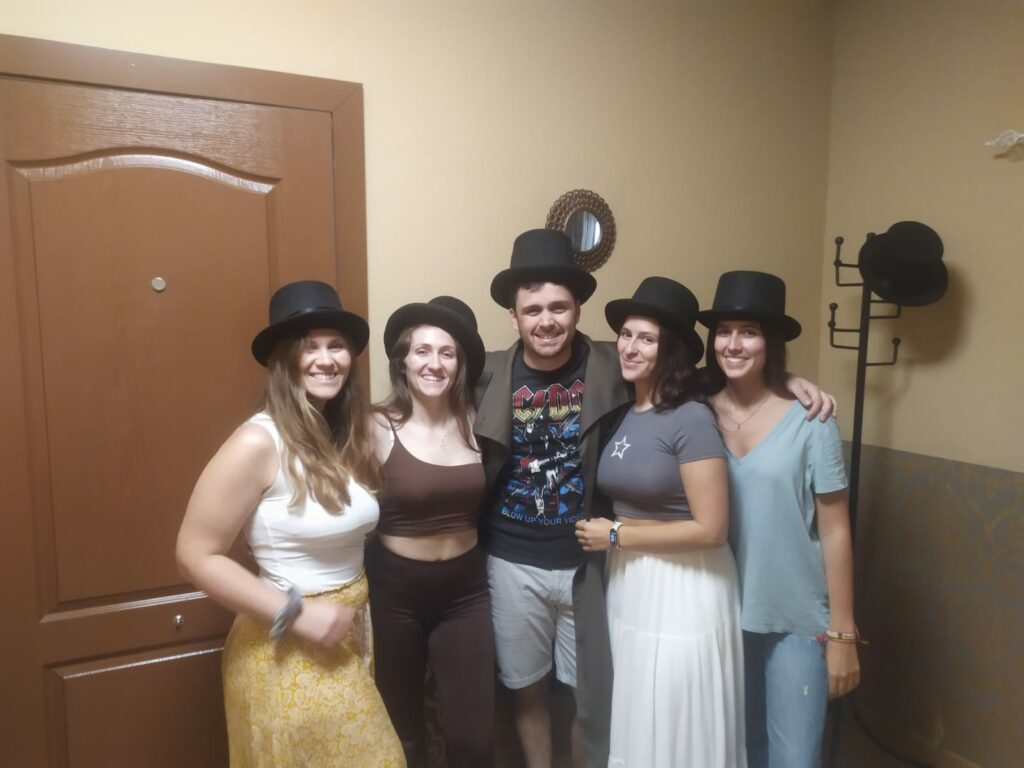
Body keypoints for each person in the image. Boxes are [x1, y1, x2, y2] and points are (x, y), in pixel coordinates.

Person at [474, 229, 835, 768]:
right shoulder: (485, 373)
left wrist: (789, 384)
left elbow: (706, 371)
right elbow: (431, 376)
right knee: (531, 690)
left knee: (596, 697)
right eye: (532, 309)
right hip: (520, 561)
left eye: (558, 307)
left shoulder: (611, 365)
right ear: (513, 316)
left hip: (589, 566)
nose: (546, 320)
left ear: (577, 310)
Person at [175, 280, 404, 768]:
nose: (326, 359)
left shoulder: (339, 435)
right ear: (284, 359)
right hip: (285, 648)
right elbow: (194, 555)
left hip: (349, 630)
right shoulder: (258, 441)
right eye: (309, 346)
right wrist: (298, 614)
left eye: (336, 345)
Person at [576, 276, 746, 767]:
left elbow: (711, 529)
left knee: (677, 709)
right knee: (636, 705)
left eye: (646, 339)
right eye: (625, 335)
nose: (629, 347)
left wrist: (615, 534)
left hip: (686, 585)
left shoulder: (691, 417)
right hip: (631, 581)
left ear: (669, 350)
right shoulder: (624, 411)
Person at [698, 270, 860, 768]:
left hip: (794, 620)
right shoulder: (695, 415)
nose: (733, 344)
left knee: (793, 758)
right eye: (724, 331)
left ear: (770, 341)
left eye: (749, 332)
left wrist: (842, 633)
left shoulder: (812, 420)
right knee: (734, 753)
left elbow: (835, 528)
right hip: (718, 614)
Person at [365, 296, 494, 767]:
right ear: (402, 361)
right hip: (394, 592)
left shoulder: (480, 421)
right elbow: (339, 508)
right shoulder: (375, 425)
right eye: (422, 351)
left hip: (465, 591)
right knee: (401, 732)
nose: (434, 364)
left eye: (447, 353)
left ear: (460, 365)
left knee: (474, 737)